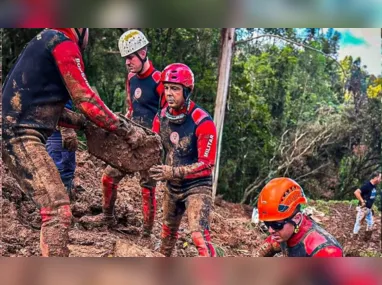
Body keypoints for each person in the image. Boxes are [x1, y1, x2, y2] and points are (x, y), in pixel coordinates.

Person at [2, 28, 131, 257]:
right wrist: (126, 130)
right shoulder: (63, 43)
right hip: (20, 133)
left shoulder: (46, 39)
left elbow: (46, 109)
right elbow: (86, 99)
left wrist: (83, 124)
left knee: (53, 210)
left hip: (16, 127)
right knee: (57, 210)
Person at [80, 29, 165, 237]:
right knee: (108, 177)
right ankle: (108, 219)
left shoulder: (159, 80)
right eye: (125, 58)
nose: (127, 62)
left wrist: (156, 142)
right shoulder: (131, 78)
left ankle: (146, 233)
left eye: (131, 57)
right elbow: (130, 106)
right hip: (130, 137)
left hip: (150, 142)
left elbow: (165, 115)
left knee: (147, 186)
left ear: (143, 52)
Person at [149, 63, 217, 257]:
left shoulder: (202, 121)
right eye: (167, 88)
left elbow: (207, 165)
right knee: (167, 236)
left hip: (197, 186)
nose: (169, 93)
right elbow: (151, 148)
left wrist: (173, 172)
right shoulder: (160, 117)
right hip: (172, 186)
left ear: (186, 91)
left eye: (175, 89)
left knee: (198, 237)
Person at [255, 177, 343, 257]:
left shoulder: (325, 251)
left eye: (276, 224)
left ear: (297, 218)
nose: (270, 230)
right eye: (267, 223)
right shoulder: (283, 233)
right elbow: (267, 246)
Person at [46, 100, 78, 201]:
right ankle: (61, 204)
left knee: (63, 169)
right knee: (61, 169)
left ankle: (64, 201)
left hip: (52, 121)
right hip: (57, 123)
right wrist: (65, 127)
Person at [353, 171, 381, 241]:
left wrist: (371, 207)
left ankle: (366, 240)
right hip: (363, 208)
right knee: (359, 223)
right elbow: (356, 192)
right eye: (380, 178)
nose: (381, 180)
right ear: (375, 178)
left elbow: (371, 197)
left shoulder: (374, 186)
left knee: (370, 223)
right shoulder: (367, 185)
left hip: (369, 209)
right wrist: (362, 201)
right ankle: (354, 239)